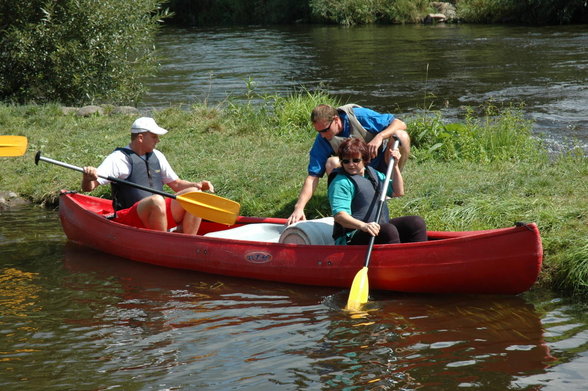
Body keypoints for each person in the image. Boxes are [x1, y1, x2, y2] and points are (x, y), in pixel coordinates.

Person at [81, 117, 214, 235]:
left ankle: (188, 241)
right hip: (129, 217)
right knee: (156, 200)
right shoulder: (118, 159)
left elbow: (177, 184)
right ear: (140, 138)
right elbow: (89, 187)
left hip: (158, 212)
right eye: (154, 136)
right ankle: (164, 243)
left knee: (195, 194)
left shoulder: (157, 155)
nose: (158, 140)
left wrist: (197, 185)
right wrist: (87, 178)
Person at [287, 103, 411, 225]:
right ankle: (345, 198)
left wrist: (380, 136)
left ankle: (388, 185)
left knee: (401, 135)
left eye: (325, 130)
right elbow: (313, 176)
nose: (322, 135)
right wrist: (299, 207)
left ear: (336, 120)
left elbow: (400, 123)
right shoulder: (323, 139)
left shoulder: (359, 116)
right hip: (354, 172)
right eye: (319, 131)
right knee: (332, 163)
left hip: (380, 164)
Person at [328, 138, 427, 245]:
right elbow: (340, 216)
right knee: (388, 231)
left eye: (356, 160)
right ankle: (396, 259)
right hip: (353, 235)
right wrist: (363, 226)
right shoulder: (341, 182)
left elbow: (398, 192)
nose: (351, 164)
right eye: (346, 161)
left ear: (364, 159)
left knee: (415, 222)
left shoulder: (373, 174)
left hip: (378, 226)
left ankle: (420, 258)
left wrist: (395, 166)